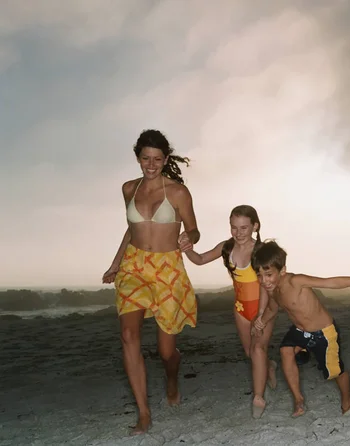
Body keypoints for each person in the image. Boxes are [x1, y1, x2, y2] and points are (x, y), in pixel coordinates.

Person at [102, 129, 199, 435]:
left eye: (157, 159)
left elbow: (195, 229)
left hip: (167, 269)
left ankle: (172, 378)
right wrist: (116, 264)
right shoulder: (128, 188)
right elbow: (132, 230)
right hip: (134, 268)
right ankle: (144, 413)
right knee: (129, 336)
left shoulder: (178, 192)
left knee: (166, 352)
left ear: (165, 159)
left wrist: (189, 238)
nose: (151, 164)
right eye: (146, 158)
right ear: (138, 158)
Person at [182, 205, 277, 418]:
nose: (238, 233)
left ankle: (258, 398)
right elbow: (200, 259)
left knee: (258, 350)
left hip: (264, 306)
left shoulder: (262, 251)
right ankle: (270, 366)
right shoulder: (227, 247)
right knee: (249, 353)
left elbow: (265, 286)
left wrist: (261, 314)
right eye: (234, 227)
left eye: (244, 228)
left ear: (255, 226)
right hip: (241, 308)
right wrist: (187, 248)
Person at [251, 240, 350, 418]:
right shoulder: (272, 290)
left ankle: (347, 400)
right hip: (300, 331)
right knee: (285, 351)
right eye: (259, 275)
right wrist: (261, 321)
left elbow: (329, 283)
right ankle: (299, 400)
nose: (264, 281)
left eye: (268, 274)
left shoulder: (295, 281)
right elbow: (272, 308)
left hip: (323, 332)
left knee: (335, 372)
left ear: (282, 270)